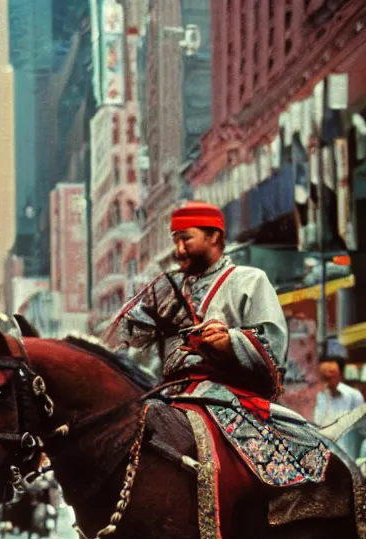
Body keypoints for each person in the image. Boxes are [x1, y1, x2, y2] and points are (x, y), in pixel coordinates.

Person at [104, 201, 356, 491]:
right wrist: (141, 322)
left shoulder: (249, 281)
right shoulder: (166, 289)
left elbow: (274, 351)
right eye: (176, 240)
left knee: (284, 465)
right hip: (167, 395)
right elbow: (124, 342)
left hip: (228, 398)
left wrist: (231, 342)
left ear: (214, 237)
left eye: (186, 239)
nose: (179, 250)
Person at [314, 356, 365, 461]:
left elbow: (361, 429)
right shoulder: (313, 397)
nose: (327, 382)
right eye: (324, 377)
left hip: (347, 456)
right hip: (319, 456)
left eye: (331, 377)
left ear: (340, 376)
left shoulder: (353, 396)